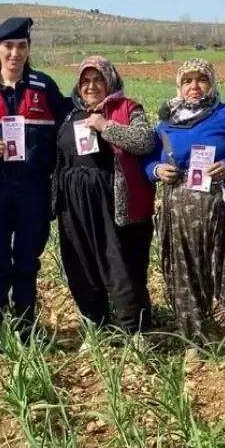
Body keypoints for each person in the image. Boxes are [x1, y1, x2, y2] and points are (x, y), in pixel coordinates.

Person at [144, 59, 225, 375]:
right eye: (188, 81)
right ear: (179, 86)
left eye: (202, 80)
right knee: (184, 276)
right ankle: (195, 343)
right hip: (178, 211)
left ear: (212, 84)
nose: (194, 86)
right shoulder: (166, 123)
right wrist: (156, 170)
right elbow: (147, 161)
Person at [0, 18, 71, 351]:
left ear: (28, 49)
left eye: (21, 46)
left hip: (33, 189)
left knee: (27, 260)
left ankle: (25, 328)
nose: (15, 53)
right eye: (8, 46)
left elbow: (72, 121)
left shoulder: (44, 87)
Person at [53, 56, 158, 337]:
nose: (91, 86)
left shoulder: (127, 108)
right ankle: (95, 325)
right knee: (79, 264)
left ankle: (133, 330)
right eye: (85, 81)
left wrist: (104, 126)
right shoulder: (70, 114)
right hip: (73, 203)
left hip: (110, 198)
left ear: (110, 79)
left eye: (97, 79)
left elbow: (144, 141)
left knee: (118, 263)